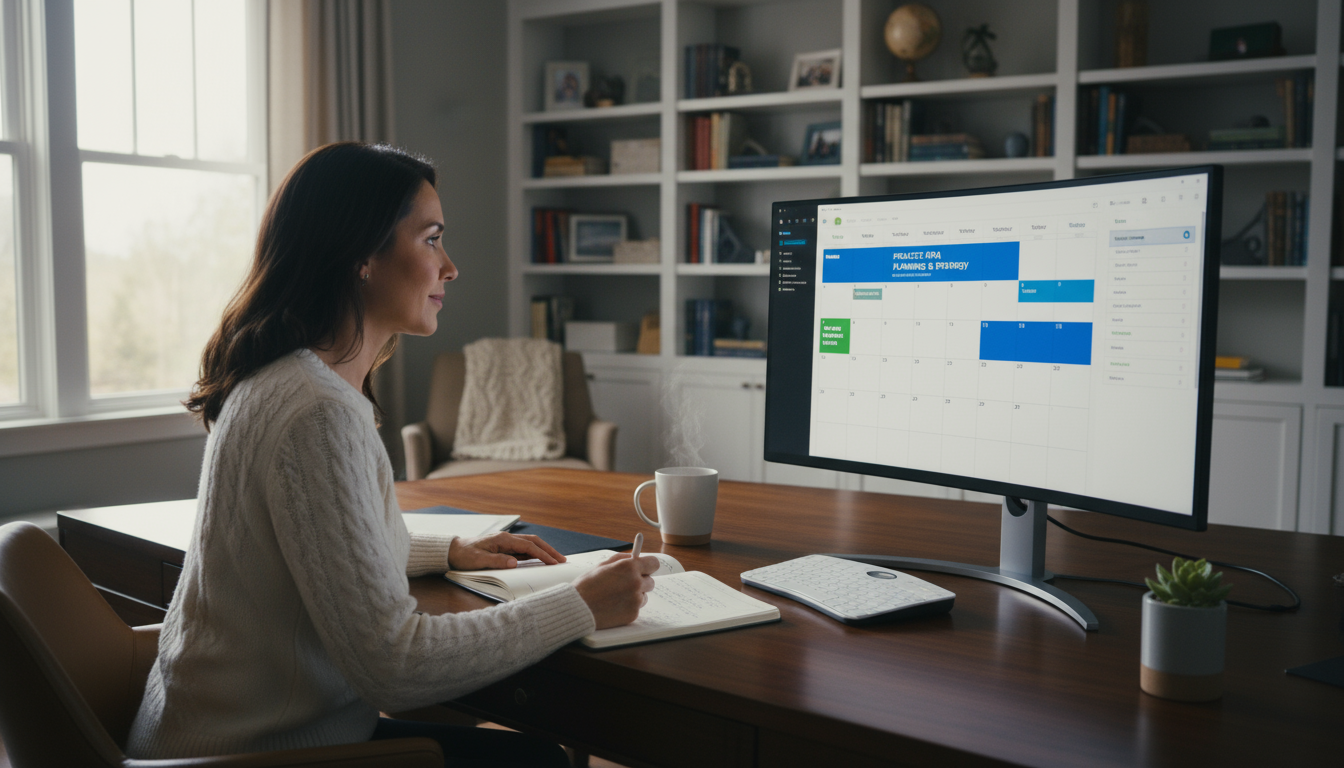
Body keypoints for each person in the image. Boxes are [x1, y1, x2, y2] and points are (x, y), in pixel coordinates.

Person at [127, 143, 660, 767]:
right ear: (361, 256)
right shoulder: (317, 412)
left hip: (204, 738)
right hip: (246, 756)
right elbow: (396, 668)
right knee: (539, 760)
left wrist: (448, 550)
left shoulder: (278, 380)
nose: (450, 267)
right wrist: (579, 604)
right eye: (431, 240)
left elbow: (312, 542)